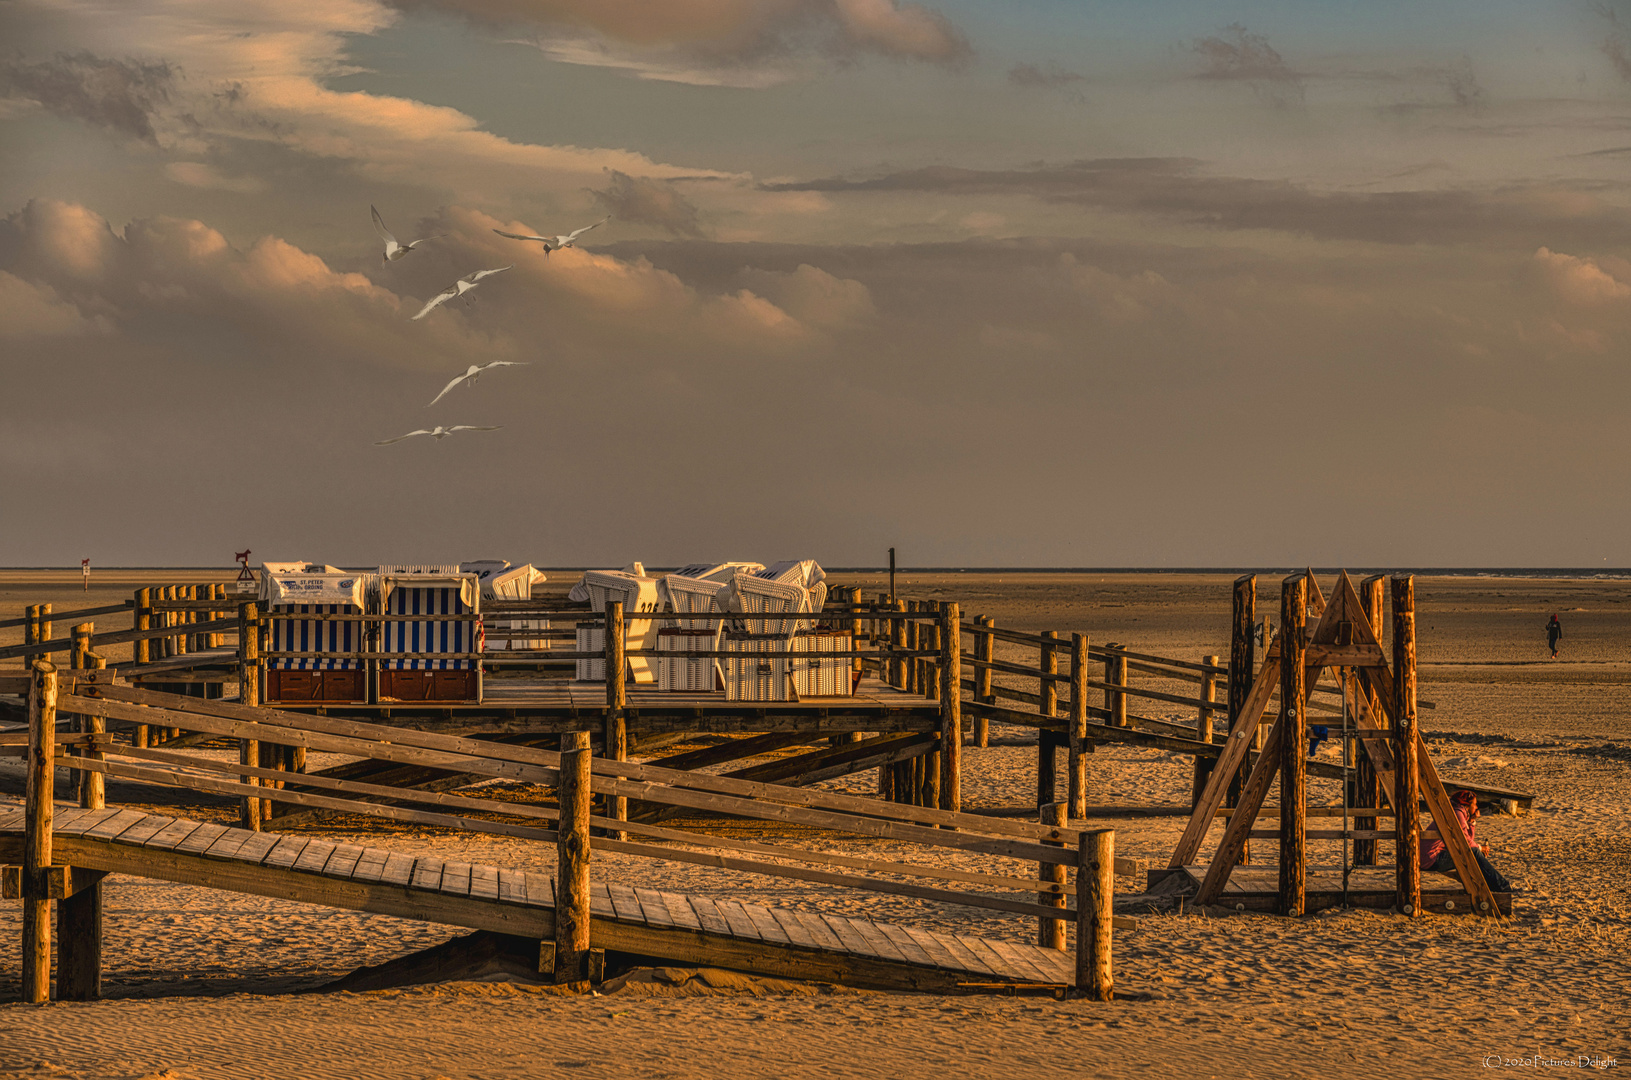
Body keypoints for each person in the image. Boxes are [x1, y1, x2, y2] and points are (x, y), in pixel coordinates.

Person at [1420, 788, 1515, 892]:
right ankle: (1502, 886)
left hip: (1428, 858)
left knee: (1474, 852)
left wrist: (1472, 821)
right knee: (1474, 853)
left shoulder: (1453, 812)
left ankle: (1493, 886)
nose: (1476, 807)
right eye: (1474, 804)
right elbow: (1466, 842)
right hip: (1432, 859)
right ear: (1467, 804)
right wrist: (1480, 848)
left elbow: (1467, 840)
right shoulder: (1457, 814)